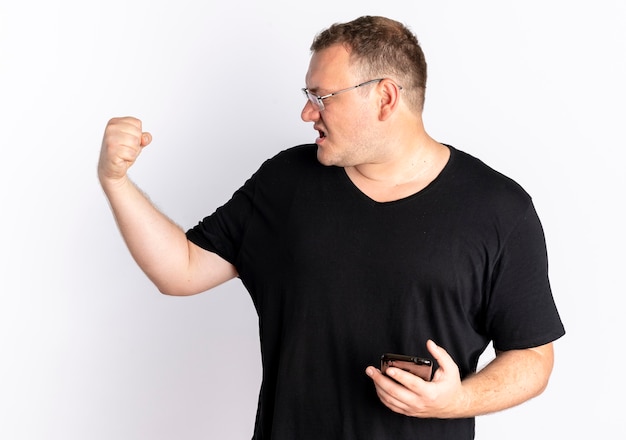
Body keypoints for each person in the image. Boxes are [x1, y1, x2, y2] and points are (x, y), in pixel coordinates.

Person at [98, 15, 565, 440]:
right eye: (308, 96)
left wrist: (458, 400)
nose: (307, 113)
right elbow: (180, 269)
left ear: (384, 97)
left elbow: (532, 358)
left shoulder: (499, 209)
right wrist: (115, 181)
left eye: (321, 97)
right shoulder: (286, 182)